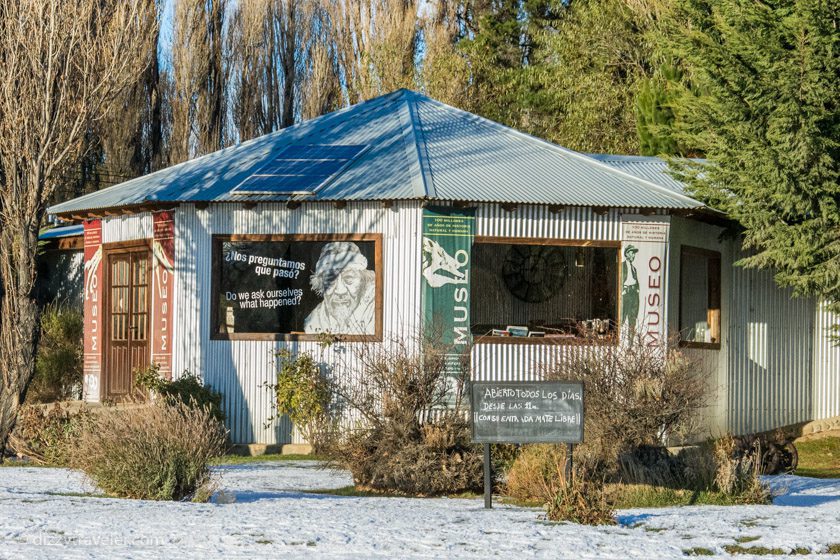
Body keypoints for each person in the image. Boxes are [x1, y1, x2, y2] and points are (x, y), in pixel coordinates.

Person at [304, 242, 375, 335]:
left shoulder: (374, 311)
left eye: (349, 278)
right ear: (321, 284)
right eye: (331, 280)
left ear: (363, 282)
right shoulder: (312, 321)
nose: (340, 291)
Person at [621, 244, 640, 330]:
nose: (634, 255)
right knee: (621, 318)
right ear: (627, 254)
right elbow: (619, 279)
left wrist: (637, 289)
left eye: (634, 254)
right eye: (632, 253)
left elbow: (636, 281)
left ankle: (631, 343)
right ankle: (618, 340)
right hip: (626, 294)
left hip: (634, 295)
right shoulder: (621, 266)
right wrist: (622, 291)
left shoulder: (634, 268)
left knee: (632, 322)